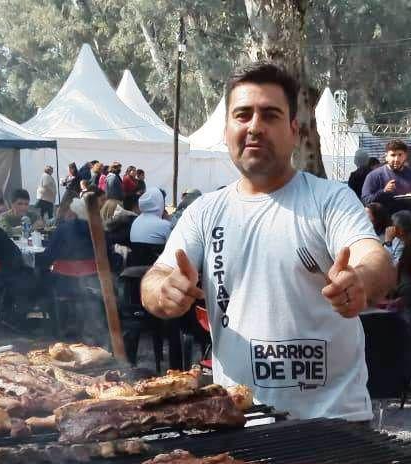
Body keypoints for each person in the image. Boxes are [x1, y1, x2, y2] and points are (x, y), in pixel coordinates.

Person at [142, 61, 394, 421]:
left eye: (270, 115)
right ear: (226, 129)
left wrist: (360, 281)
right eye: (242, 115)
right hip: (240, 421)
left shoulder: (330, 199)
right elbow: (156, 277)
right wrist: (164, 291)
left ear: (294, 131)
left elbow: (375, 260)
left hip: (335, 424)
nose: (255, 127)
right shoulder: (204, 212)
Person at [360, 139, 411, 216]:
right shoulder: (374, 176)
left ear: (405, 156)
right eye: (393, 155)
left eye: (400, 155)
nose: (396, 159)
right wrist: (384, 192)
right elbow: (365, 201)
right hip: (382, 225)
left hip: (407, 224)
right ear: (386, 157)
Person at [44, 197, 97, 265]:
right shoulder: (94, 228)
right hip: (92, 272)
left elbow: (48, 255)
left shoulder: (62, 229)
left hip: (65, 273)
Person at [128, 189, 173, 267]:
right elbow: (173, 248)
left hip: (135, 266)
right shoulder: (165, 225)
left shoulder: (135, 222)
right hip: (155, 269)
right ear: (160, 203)